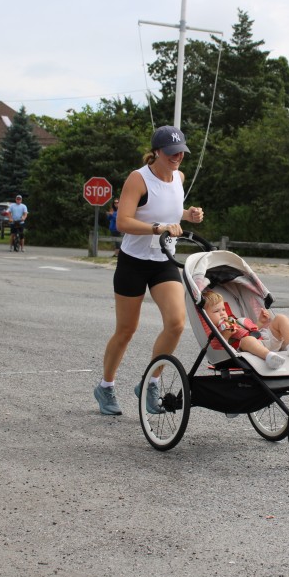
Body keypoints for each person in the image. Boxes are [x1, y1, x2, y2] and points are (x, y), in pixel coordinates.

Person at [93, 125, 205, 416]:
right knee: (126, 330)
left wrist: (188, 215)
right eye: (171, 153)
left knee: (176, 323)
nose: (177, 157)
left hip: (163, 261)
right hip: (133, 262)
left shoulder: (179, 177)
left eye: (181, 152)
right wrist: (158, 228)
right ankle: (105, 386)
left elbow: (169, 210)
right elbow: (124, 221)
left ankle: (149, 383)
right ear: (156, 152)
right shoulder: (138, 178)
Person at [201, 289, 289, 369]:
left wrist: (260, 322)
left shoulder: (232, 320)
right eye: (216, 311)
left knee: (281, 318)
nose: (222, 313)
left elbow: (252, 331)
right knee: (247, 340)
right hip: (251, 350)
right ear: (205, 315)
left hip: (264, 340)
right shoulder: (215, 331)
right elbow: (220, 351)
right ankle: (269, 357)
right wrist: (226, 336)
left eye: (223, 309)